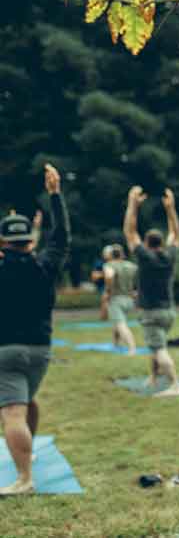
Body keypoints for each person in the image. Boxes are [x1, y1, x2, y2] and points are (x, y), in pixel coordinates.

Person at [0, 164, 69, 495]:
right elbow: (61, 237)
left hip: (7, 351)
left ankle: (25, 479)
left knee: (12, 413)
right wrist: (55, 196)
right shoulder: (46, 265)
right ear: (29, 240)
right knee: (28, 400)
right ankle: (32, 451)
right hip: (41, 351)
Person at [123, 186, 179, 398]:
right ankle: (154, 377)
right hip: (169, 312)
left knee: (159, 348)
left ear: (147, 243)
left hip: (150, 312)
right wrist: (171, 209)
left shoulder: (144, 257)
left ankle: (175, 385)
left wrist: (133, 204)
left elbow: (130, 231)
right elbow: (176, 233)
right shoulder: (169, 256)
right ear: (161, 243)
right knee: (157, 345)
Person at [102, 244, 139, 355]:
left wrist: (108, 291)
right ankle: (115, 343)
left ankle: (132, 348)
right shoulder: (131, 265)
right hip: (130, 299)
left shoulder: (109, 265)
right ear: (122, 254)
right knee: (116, 322)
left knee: (120, 324)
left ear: (111, 255)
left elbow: (109, 276)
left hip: (116, 299)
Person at [91, 245, 113, 321]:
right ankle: (104, 318)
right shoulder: (100, 263)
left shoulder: (115, 262)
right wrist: (106, 274)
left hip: (115, 285)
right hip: (103, 285)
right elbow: (94, 276)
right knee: (105, 297)